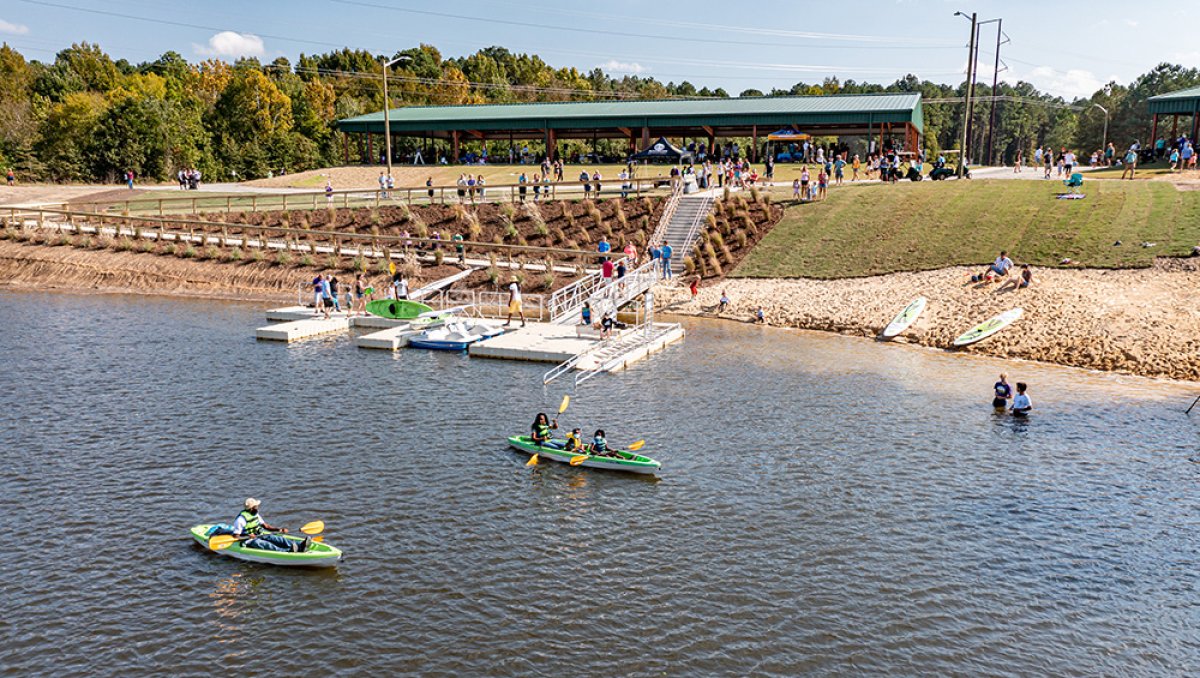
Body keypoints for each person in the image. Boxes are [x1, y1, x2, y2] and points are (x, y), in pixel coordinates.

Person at [231, 498, 309, 553]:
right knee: (266, 544)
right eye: (256, 507)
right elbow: (236, 537)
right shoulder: (241, 520)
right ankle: (288, 551)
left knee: (276, 538)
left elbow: (266, 526)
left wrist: (279, 530)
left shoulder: (255, 515)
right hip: (249, 540)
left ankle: (300, 545)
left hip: (259, 534)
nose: (258, 508)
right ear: (251, 508)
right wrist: (248, 536)